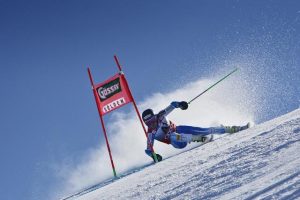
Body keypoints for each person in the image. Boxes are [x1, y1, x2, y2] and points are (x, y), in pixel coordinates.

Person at [142, 101, 249, 162]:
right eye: (148, 123)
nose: (152, 124)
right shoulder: (151, 132)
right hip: (177, 142)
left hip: (179, 129)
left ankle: (234, 128)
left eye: (152, 120)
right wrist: (154, 156)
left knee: (205, 130)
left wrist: (181, 105)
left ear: (154, 116)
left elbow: (173, 105)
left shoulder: (160, 115)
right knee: (174, 136)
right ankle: (200, 139)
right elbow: (148, 149)